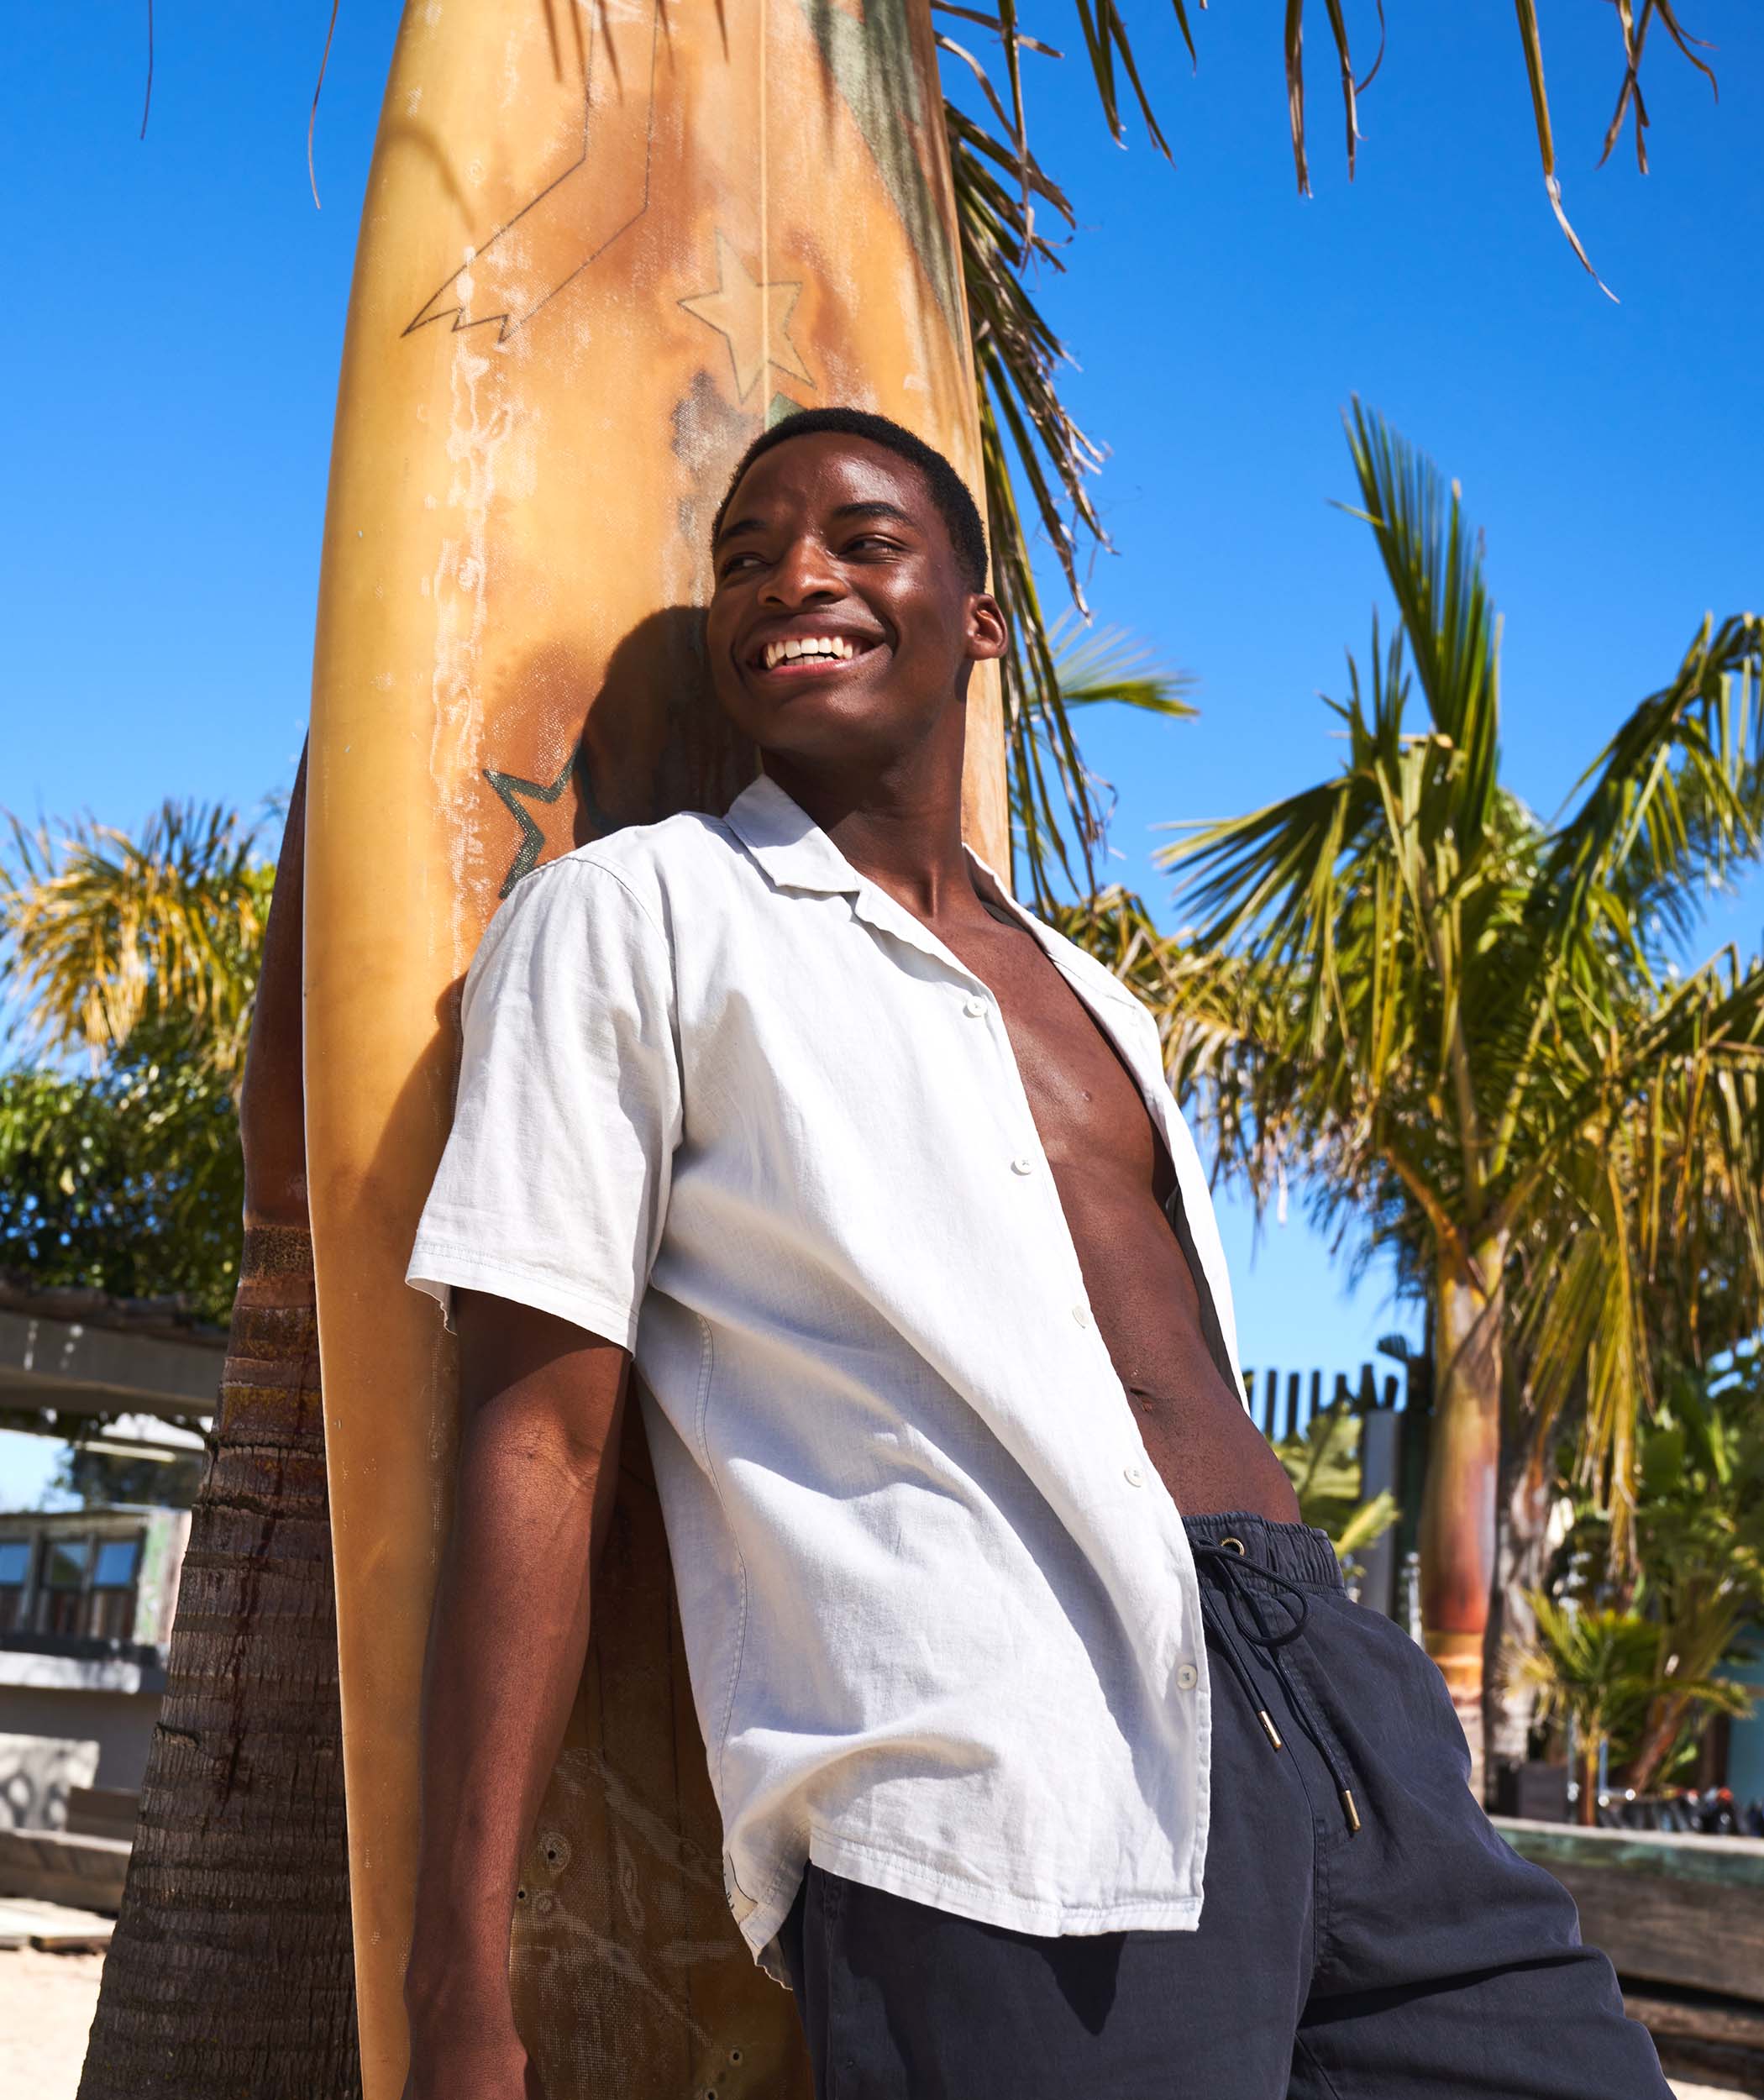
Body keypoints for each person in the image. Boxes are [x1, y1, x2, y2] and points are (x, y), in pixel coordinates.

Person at [399, 407, 1670, 2099]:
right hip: (999, 1765)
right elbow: (540, 1432)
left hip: (1334, 1706)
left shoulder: (1099, 998)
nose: (795, 579)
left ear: (980, 619)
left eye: (860, 539)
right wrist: (455, 1977)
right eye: (746, 555)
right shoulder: (633, 916)